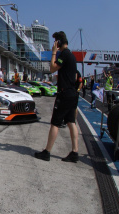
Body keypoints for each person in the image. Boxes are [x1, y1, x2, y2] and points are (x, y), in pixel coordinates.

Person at [34, 31, 79, 163]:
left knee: (55, 123)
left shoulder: (63, 55)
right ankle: (75, 152)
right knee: (71, 122)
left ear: (58, 42)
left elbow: (52, 68)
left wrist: (54, 52)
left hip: (64, 94)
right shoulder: (71, 55)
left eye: (55, 42)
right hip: (72, 94)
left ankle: (47, 152)